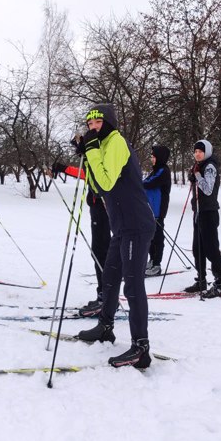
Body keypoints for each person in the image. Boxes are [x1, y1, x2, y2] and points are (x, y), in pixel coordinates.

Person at [74, 103, 156, 369]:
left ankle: (141, 348)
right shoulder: (102, 145)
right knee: (109, 277)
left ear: (108, 122)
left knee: (132, 285)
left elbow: (107, 181)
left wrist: (91, 149)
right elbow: (98, 186)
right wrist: (88, 155)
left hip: (136, 223)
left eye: (97, 123)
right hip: (121, 225)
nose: (92, 128)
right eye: (89, 125)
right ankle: (105, 326)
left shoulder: (116, 142)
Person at [50, 161, 110, 316]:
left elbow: (92, 176)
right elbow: (86, 173)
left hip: (103, 211)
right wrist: (63, 168)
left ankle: (107, 298)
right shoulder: (97, 161)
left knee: (100, 254)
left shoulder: (103, 162)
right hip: (99, 211)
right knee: (99, 253)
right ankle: (105, 295)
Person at [183, 139, 221, 298]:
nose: (197, 154)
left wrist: (197, 177)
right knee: (197, 248)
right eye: (195, 151)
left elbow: (207, 190)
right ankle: (201, 279)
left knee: (211, 249)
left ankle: (219, 283)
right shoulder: (199, 166)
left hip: (208, 212)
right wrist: (194, 177)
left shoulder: (210, 166)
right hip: (199, 212)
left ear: (206, 152)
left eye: (200, 151)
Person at [143, 145, 171, 276]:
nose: (152, 159)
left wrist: (137, 183)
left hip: (158, 210)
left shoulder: (163, 171)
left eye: (154, 157)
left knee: (158, 237)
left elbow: (150, 183)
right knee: (150, 237)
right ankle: (152, 259)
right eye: (151, 156)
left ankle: (157, 264)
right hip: (150, 209)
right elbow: (146, 181)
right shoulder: (155, 170)